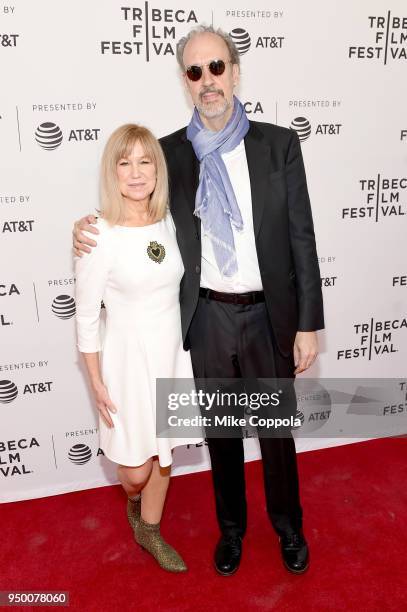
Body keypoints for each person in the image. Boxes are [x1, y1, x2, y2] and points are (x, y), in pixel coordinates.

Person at [73, 25, 324, 576]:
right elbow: (133, 209)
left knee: (277, 434)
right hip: (206, 317)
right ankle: (231, 530)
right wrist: (84, 228)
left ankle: (289, 527)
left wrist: (308, 323)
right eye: (195, 71)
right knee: (221, 434)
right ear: (185, 82)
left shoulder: (278, 144)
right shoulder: (168, 154)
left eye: (216, 68)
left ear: (234, 72)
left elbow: (302, 237)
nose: (207, 80)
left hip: (268, 314)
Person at [75, 123, 202, 573]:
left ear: (156, 169)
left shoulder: (172, 220)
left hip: (171, 354)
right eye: (124, 162)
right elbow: (86, 315)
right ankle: (134, 500)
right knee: (136, 470)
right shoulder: (97, 235)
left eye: (144, 161)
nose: (135, 172)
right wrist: (95, 382)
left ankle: (149, 528)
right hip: (125, 363)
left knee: (163, 453)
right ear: (112, 172)